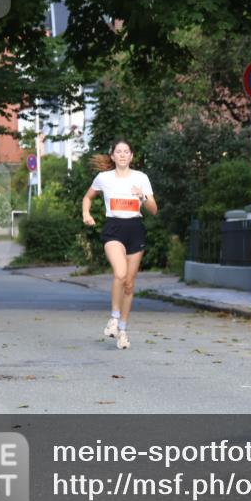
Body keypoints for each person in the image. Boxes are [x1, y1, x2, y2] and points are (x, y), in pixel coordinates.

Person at [82, 140, 157, 350]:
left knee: (130, 284)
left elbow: (153, 209)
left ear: (131, 156)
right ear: (113, 156)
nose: (123, 155)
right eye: (119, 152)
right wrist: (86, 213)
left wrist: (142, 196)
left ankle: (122, 330)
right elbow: (87, 198)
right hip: (113, 229)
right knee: (120, 273)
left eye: (126, 152)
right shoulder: (103, 178)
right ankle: (114, 318)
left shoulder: (141, 178)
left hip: (135, 229)